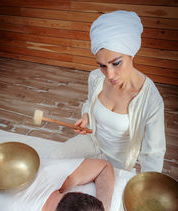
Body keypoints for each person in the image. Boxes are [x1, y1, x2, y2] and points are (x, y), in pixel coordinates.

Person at [50, 10, 166, 173]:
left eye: (116, 63)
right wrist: (86, 117)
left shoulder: (150, 98)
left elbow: (153, 154)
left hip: (117, 161)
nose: (109, 75)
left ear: (131, 54)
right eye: (102, 65)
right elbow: (90, 103)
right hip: (93, 142)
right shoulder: (96, 78)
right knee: (54, 160)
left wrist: (147, 189)